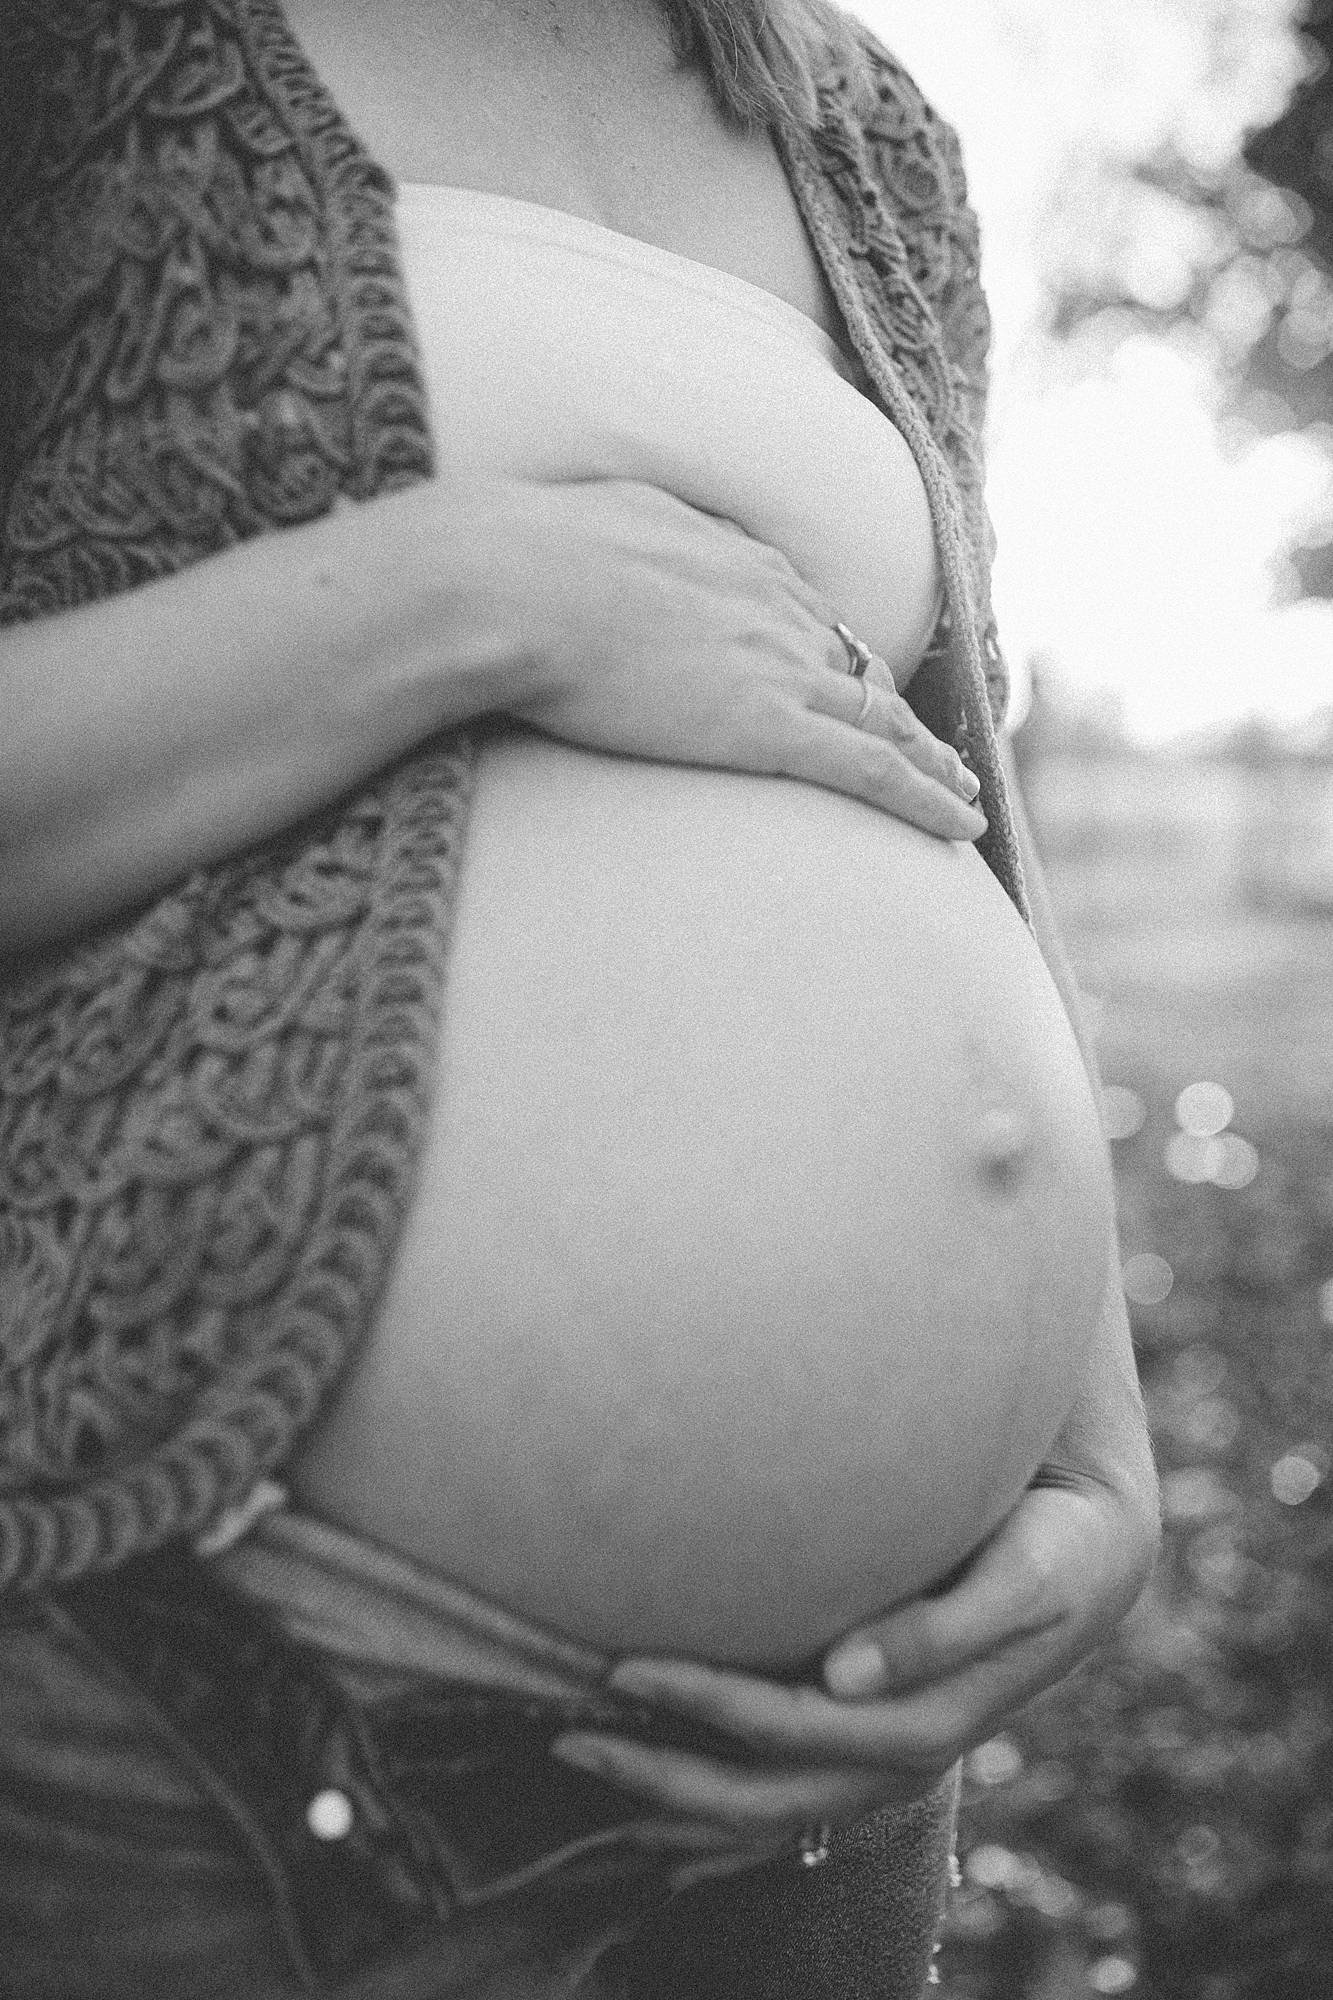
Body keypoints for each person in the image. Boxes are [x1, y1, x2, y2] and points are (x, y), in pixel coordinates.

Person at [0, 1, 1160, 1994]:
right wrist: (480, 598)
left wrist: (1098, 1464)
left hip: (840, 1744)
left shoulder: (856, 125)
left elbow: (955, 776)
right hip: (223, 1674)